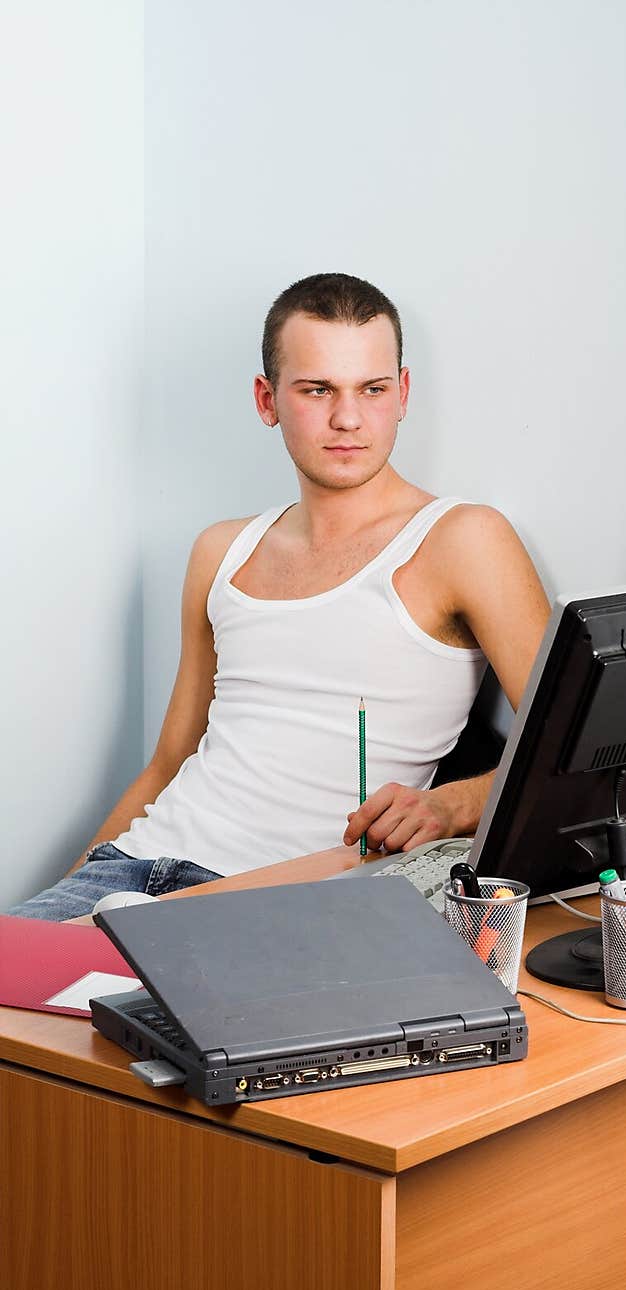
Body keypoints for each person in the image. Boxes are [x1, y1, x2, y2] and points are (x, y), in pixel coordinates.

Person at [8, 272, 551, 921]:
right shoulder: (221, 550)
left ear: (402, 393)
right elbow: (167, 766)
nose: (347, 417)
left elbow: (567, 760)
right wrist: (48, 919)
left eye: (372, 389)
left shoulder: (462, 540)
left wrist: (448, 805)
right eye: (317, 389)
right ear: (268, 400)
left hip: (277, 896)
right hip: (130, 863)